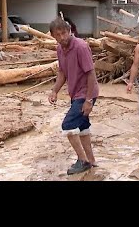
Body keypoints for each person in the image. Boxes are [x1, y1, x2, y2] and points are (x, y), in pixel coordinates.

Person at [48, 17, 99, 175]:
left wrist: (89, 100)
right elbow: (62, 72)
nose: (62, 37)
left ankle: (82, 161)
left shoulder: (80, 46)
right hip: (75, 93)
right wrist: (54, 90)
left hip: (86, 93)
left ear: (70, 31)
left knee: (68, 125)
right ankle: (91, 161)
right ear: (53, 36)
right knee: (82, 127)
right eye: (58, 35)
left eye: (64, 33)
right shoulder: (59, 49)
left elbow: (91, 73)